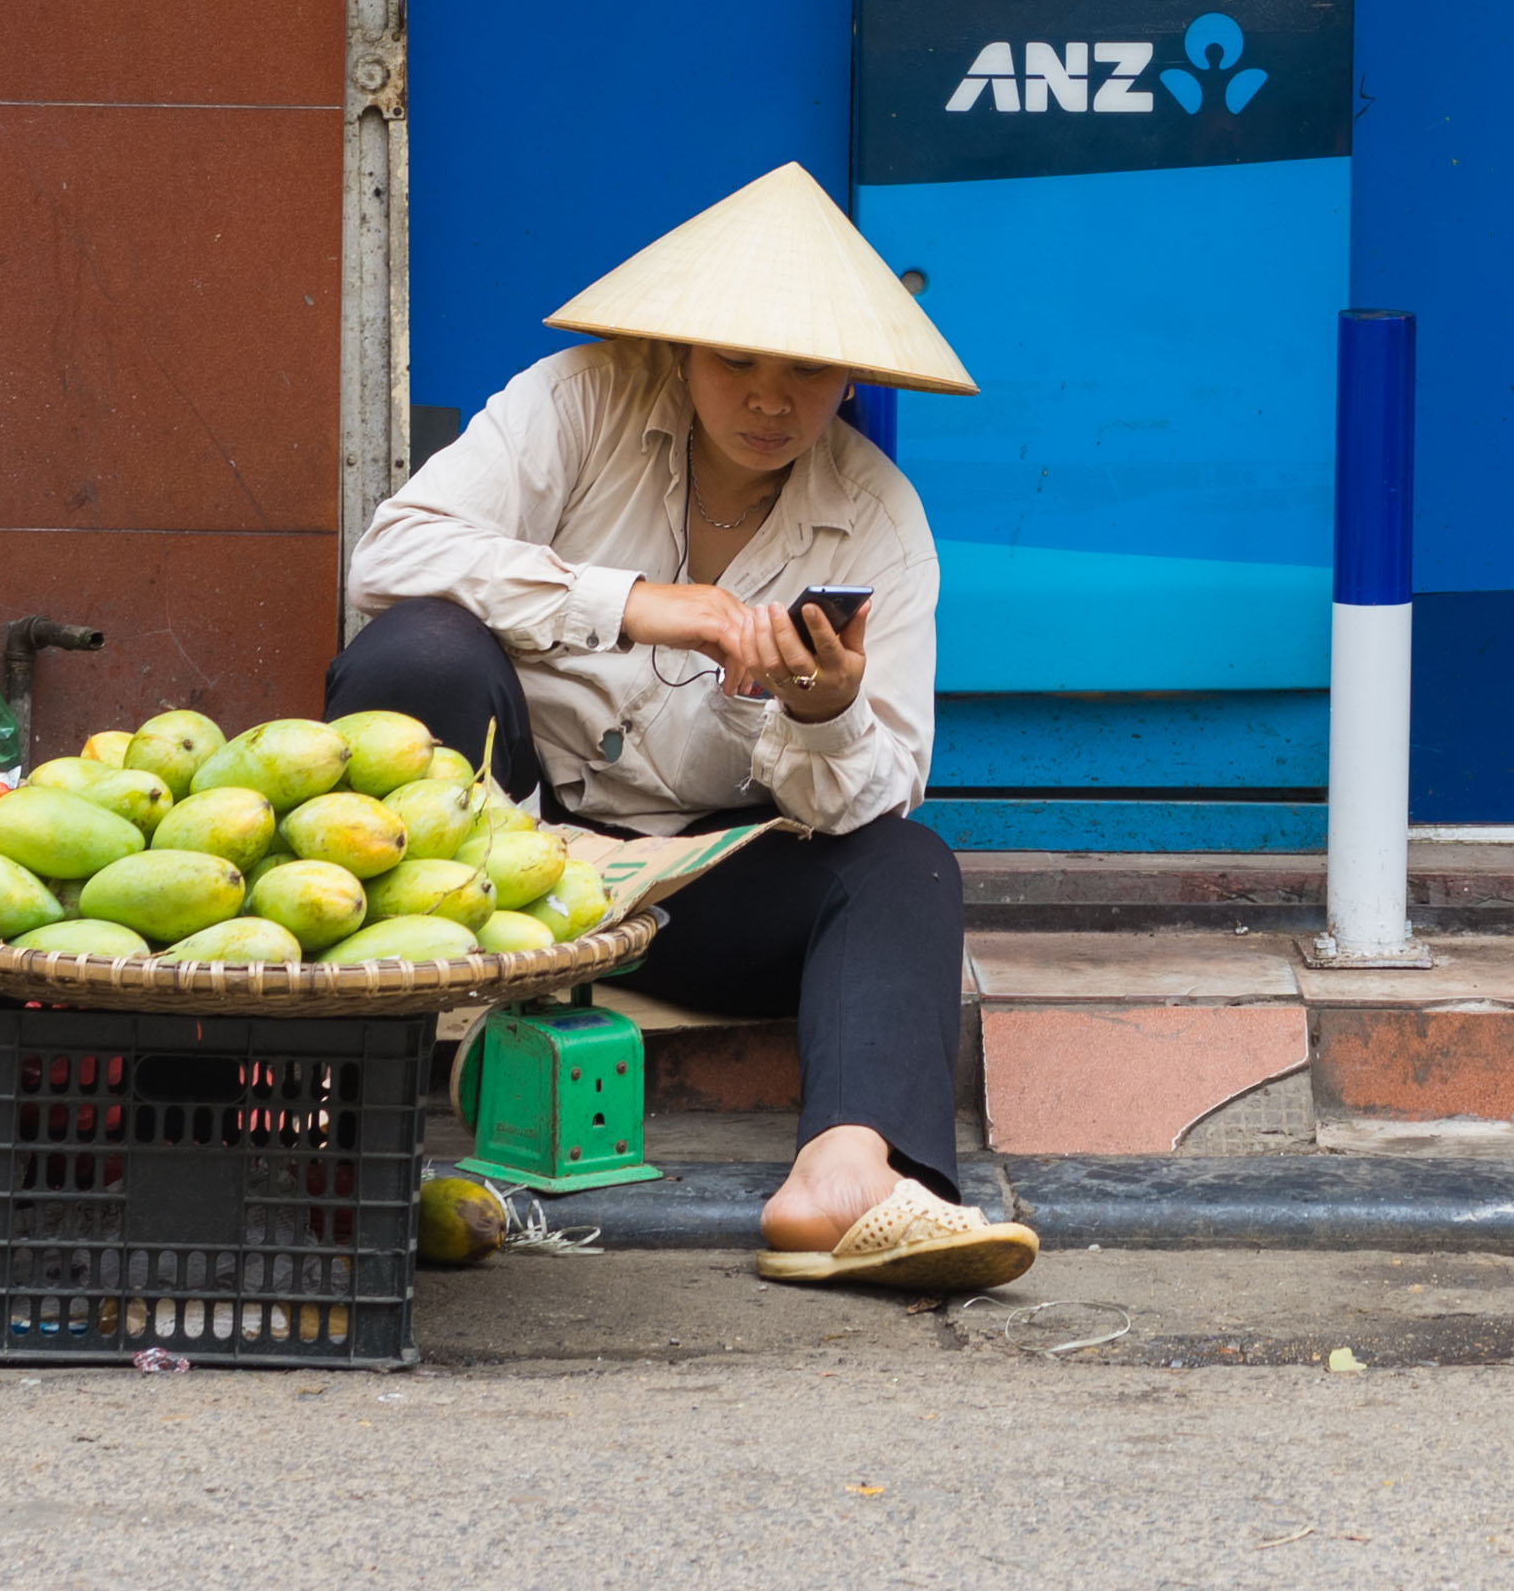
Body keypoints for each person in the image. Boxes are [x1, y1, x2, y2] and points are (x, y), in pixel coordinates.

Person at [329, 165, 1033, 1292]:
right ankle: (338, 1117)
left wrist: (822, 711)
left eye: (806, 369)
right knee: (417, 653)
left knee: (906, 863)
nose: (769, 397)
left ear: (849, 379)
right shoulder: (578, 401)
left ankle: (844, 1177)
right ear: (682, 347)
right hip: (482, 856)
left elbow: (885, 784)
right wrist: (634, 603)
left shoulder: (880, 525)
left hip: (690, 883)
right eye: (737, 361)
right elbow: (392, 557)